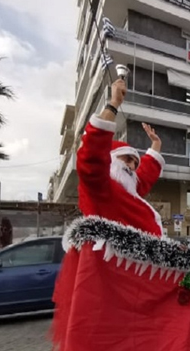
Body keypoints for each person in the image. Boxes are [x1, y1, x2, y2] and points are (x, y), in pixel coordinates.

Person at [76, 78, 166, 237]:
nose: (132, 167)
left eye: (135, 163)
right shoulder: (98, 186)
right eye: (127, 159)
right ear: (110, 159)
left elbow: (145, 174)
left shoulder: (130, 188)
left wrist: (156, 145)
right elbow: (92, 154)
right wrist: (113, 105)